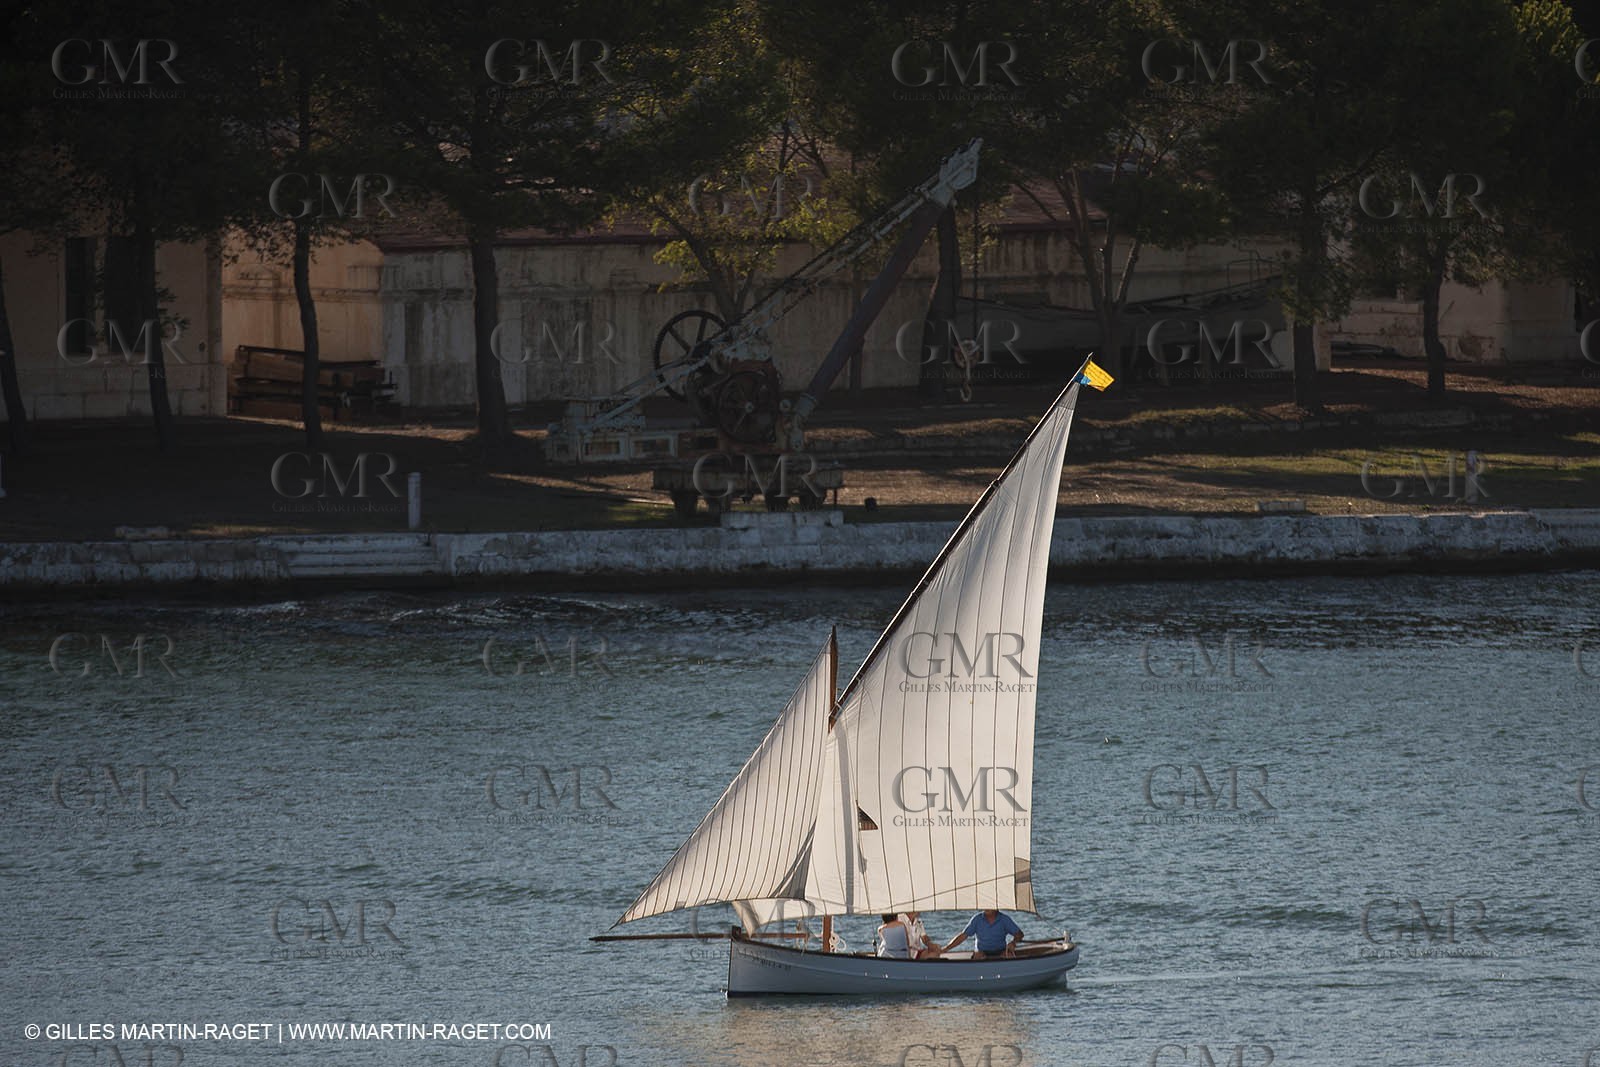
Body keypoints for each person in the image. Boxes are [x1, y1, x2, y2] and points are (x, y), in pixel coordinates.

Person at [942, 908, 1023, 960]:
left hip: (1000, 951)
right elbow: (963, 936)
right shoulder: (977, 919)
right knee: (979, 956)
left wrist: (1013, 942)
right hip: (981, 952)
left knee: (1009, 956)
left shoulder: (1004, 919)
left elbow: (1019, 934)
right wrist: (946, 949)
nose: (986, 907)